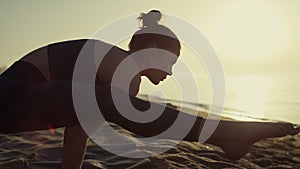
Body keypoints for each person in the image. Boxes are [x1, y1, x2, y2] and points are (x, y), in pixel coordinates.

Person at [0, 10, 299, 169]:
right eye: (171, 62)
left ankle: (224, 134)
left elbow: (78, 126)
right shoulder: (119, 65)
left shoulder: (109, 70)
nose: (170, 72)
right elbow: (125, 115)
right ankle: (224, 133)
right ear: (153, 50)